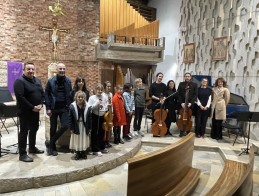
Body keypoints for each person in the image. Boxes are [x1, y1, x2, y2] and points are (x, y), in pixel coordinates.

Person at [13, 62, 44, 162]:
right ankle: (22, 154)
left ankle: (32, 148)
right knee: (24, 132)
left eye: (32, 69)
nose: (31, 71)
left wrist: (41, 104)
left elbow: (42, 93)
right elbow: (20, 97)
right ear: (24, 70)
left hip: (35, 111)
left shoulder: (37, 80)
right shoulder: (19, 81)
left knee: (34, 129)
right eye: (28, 69)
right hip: (25, 111)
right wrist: (32, 107)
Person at [45, 63, 72, 156]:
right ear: (57, 70)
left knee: (65, 125)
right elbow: (47, 94)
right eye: (60, 69)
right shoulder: (51, 81)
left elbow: (70, 94)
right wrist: (48, 108)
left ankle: (50, 142)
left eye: (63, 69)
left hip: (64, 108)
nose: (62, 70)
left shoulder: (68, 81)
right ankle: (52, 148)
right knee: (53, 127)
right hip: (53, 108)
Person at [69, 91, 92, 160]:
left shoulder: (88, 107)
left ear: (84, 98)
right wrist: (71, 128)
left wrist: (90, 128)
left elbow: (90, 118)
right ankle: (78, 153)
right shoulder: (72, 106)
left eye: (82, 97)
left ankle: (83, 152)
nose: (80, 98)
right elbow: (70, 118)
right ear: (76, 98)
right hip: (76, 126)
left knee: (84, 139)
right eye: (79, 97)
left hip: (84, 126)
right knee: (77, 139)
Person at [88, 84, 109, 156]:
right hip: (95, 116)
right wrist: (97, 104)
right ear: (95, 90)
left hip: (102, 116)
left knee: (102, 132)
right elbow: (89, 108)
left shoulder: (104, 97)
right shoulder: (92, 98)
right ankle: (95, 149)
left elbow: (106, 106)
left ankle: (101, 147)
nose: (100, 91)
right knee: (95, 133)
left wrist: (107, 106)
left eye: (101, 90)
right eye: (98, 89)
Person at [177, 72, 198, 137]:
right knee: (182, 117)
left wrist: (191, 103)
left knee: (189, 117)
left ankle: (188, 130)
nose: (187, 77)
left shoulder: (194, 84)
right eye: (186, 76)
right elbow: (179, 94)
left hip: (189, 104)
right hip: (182, 104)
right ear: (184, 77)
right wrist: (181, 103)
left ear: (190, 77)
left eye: (188, 76)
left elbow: (195, 95)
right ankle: (181, 130)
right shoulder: (181, 84)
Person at [102, 81, 113, 148]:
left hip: (110, 112)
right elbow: (103, 104)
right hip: (105, 112)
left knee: (109, 127)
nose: (109, 87)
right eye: (108, 86)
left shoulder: (111, 94)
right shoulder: (103, 95)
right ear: (105, 87)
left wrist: (112, 111)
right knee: (105, 127)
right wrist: (107, 106)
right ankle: (104, 141)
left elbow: (112, 103)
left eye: (110, 86)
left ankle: (107, 141)